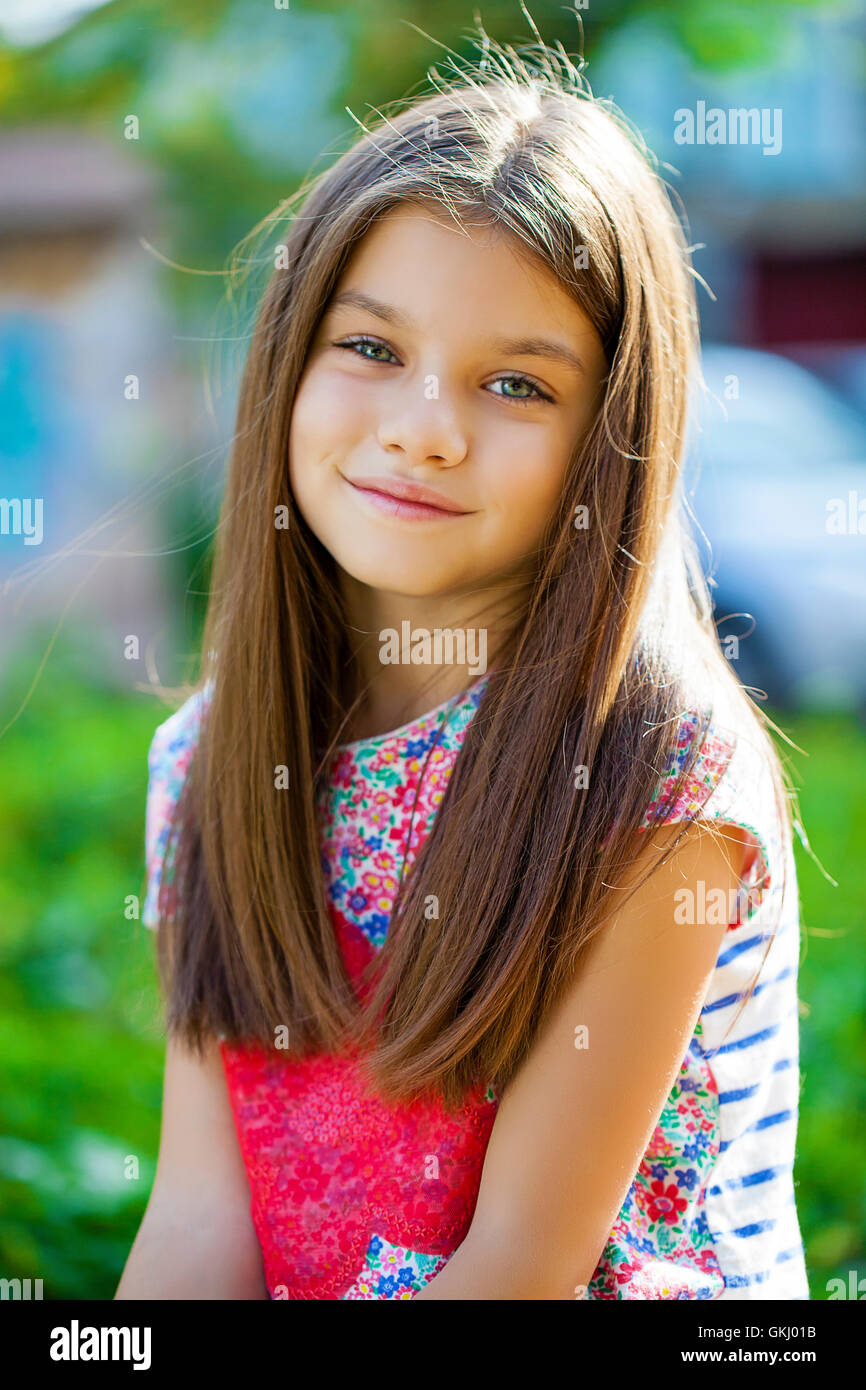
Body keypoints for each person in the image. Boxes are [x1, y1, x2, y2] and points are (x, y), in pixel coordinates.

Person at [116, 28, 809, 1300]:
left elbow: (517, 1272)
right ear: (286, 363)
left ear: (610, 438)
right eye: (371, 349)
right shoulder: (209, 764)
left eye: (515, 385)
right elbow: (197, 1223)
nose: (424, 431)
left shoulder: (657, 783)